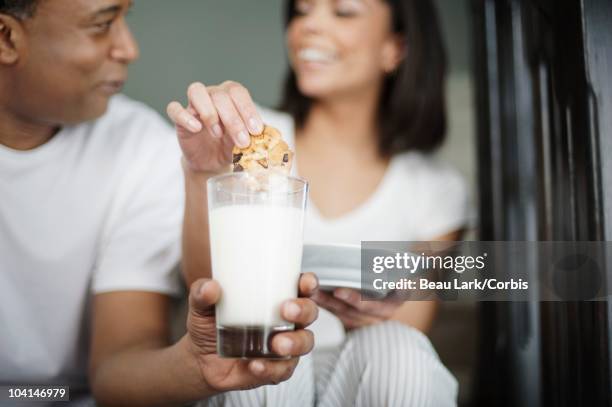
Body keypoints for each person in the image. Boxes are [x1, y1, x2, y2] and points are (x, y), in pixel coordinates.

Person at [0, 0, 318, 406]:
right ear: (6, 37)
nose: (129, 48)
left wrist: (197, 366)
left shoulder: (141, 148)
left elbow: (114, 370)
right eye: (101, 24)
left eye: (124, 19)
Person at [168, 0, 465, 404]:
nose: (308, 27)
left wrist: (364, 306)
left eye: (343, 12)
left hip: (365, 376)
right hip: (257, 377)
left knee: (399, 347)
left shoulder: (435, 187)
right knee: (265, 350)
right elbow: (207, 289)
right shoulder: (241, 140)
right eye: (302, 11)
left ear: (395, 48)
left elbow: (408, 327)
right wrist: (203, 172)